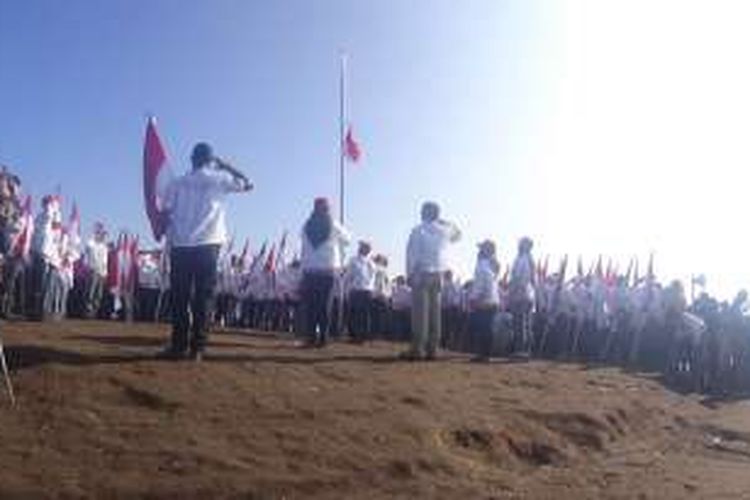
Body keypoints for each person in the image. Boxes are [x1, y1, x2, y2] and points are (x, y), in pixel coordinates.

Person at [160, 142, 252, 360]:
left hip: (181, 245)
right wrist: (225, 165)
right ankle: (197, 348)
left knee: (180, 298)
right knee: (203, 297)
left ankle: (178, 345)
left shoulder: (177, 183)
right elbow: (248, 183)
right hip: (208, 246)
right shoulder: (220, 178)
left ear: (191, 159)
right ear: (211, 160)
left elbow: (164, 209)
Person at [402, 201, 461, 360]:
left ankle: (417, 349)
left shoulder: (418, 230)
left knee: (420, 314)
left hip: (421, 274)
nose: (420, 213)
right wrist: (444, 221)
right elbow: (458, 234)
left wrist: (409, 274)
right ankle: (433, 349)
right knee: (435, 314)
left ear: (426, 213)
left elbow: (412, 254)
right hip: (438, 275)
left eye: (423, 210)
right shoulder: (444, 231)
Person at [299, 198, 351, 347]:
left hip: (309, 270)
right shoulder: (334, 224)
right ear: (327, 209)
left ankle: (310, 338)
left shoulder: (306, 225)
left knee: (311, 306)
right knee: (324, 306)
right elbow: (348, 239)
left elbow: (303, 249)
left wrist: (302, 271)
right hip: (327, 271)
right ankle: (323, 338)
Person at [469, 240, 501, 362]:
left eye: (481, 248)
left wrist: (474, 298)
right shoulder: (493, 264)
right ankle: (485, 354)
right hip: (492, 300)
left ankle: (483, 354)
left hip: (484, 300)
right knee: (487, 328)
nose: (479, 251)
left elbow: (480, 282)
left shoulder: (482, 264)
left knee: (483, 328)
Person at [509, 236, 536, 356]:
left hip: (522, 293)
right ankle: (523, 349)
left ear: (526, 246)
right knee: (521, 322)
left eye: (521, 243)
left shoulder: (525, 259)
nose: (519, 245)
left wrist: (516, 290)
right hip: (522, 293)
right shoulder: (522, 258)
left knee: (521, 322)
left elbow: (522, 277)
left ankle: (522, 350)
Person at [345, 241, 376, 342]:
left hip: (358, 290)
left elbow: (349, 276)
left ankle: (357, 335)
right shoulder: (371, 263)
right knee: (363, 314)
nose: (360, 248)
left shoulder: (354, 260)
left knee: (357, 314)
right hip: (366, 290)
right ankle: (361, 335)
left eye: (362, 247)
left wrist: (347, 288)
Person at [83, 222, 109, 319]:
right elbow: (88, 246)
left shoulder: (104, 247)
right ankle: (87, 311)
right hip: (93, 271)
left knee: (99, 294)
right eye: (101, 234)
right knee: (90, 292)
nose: (103, 237)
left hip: (102, 273)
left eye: (104, 235)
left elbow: (105, 261)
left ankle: (94, 312)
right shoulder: (92, 244)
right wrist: (95, 232)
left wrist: (105, 273)